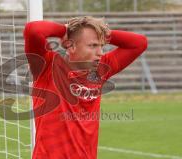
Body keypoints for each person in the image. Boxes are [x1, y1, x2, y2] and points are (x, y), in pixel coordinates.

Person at [23, 16, 147, 159]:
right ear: (71, 45)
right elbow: (33, 30)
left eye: (102, 46)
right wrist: (63, 30)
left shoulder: (101, 69)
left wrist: (103, 33)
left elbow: (140, 43)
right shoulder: (47, 66)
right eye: (93, 45)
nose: (100, 53)